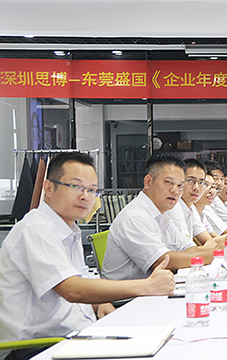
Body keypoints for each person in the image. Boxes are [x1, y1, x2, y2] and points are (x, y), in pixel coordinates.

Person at [0, 153, 174, 360]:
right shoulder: (36, 228)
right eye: (76, 187)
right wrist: (147, 286)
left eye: (92, 190)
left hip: (76, 336)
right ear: (48, 188)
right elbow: (72, 290)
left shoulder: (68, 229)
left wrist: (99, 303)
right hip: (38, 347)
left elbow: (81, 280)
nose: (85, 197)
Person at [102, 154, 223, 280]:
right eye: (169, 182)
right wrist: (217, 253)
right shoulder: (135, 217)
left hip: (152, 290)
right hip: (128, 298)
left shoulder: (161, 215)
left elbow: (188, 248)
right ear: (148, 182)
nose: (175, 191)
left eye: (180, 185)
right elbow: (162, 261)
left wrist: (214, 252)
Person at [165, 158, 227, 248]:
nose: (196, 187)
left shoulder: (190, 209)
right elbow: (189, 250)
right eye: (191, 180)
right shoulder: (175, 207)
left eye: (201, 182)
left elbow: (210, 242)